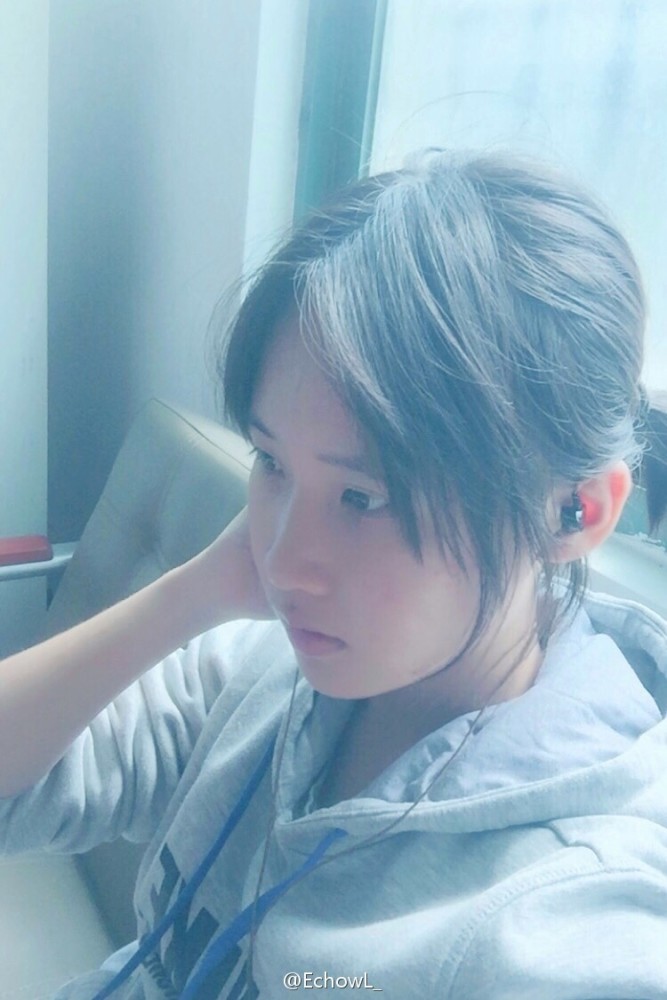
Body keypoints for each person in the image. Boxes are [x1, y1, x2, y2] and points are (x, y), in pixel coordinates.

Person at [2, 149, 667, 1000]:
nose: (282, 561)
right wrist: (195, 591)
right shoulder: (273, 667)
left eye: (363, 497)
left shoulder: (559, 914)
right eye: (271, 462)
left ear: (573, 512)